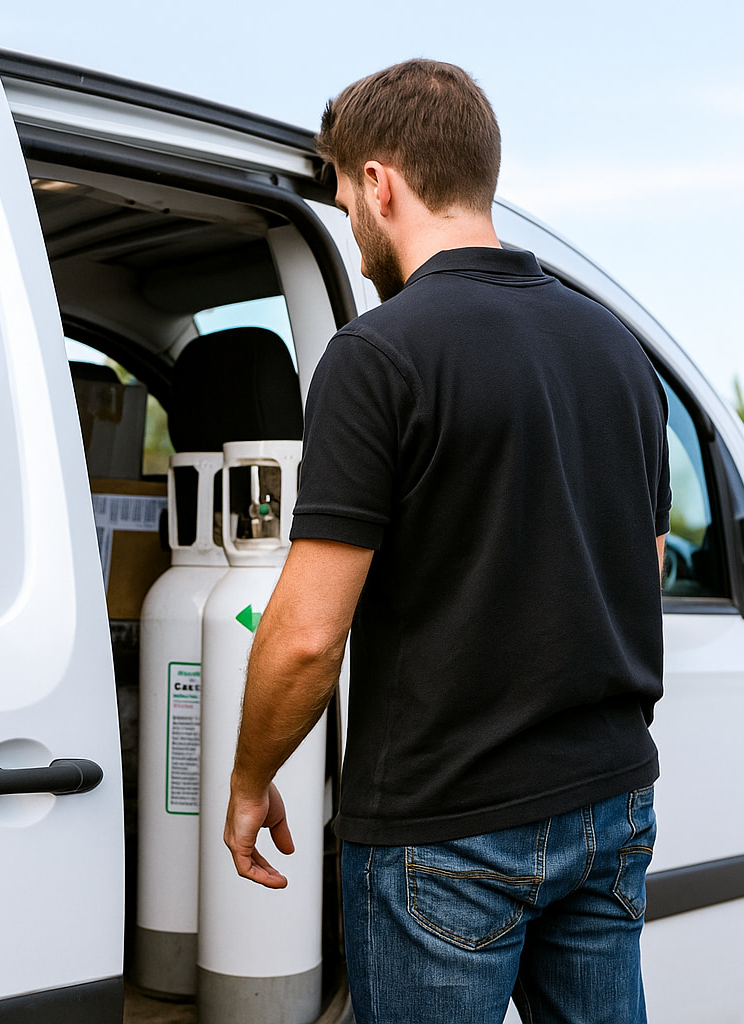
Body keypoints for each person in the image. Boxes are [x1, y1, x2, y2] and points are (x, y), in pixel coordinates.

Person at [222, 59, 671, 1024]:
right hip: (609, 805)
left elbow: (305, 638)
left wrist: (251, 779)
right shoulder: (620, 354)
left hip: (446, 835)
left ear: (381, 183)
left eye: (346, 202)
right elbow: (652, 563)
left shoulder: (379, 356)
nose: (351, 226)